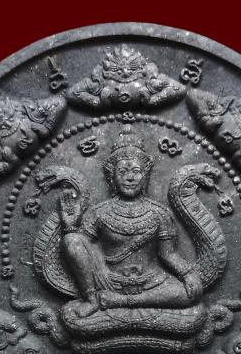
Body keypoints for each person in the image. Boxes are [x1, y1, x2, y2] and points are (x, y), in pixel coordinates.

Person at [59, 126, 202, 318]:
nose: (129, 177)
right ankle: (92, 300)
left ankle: (120, 301)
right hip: (109, 281)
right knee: (71, 240)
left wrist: (187, 274)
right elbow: (80, 249)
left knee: (189, 293)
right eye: (122, 171)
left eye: (136, 171)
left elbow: (168, 254)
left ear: (145, 176)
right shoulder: (100, 212)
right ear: (112, 177)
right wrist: (70, 227)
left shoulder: (159, 213)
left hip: (151, 283)